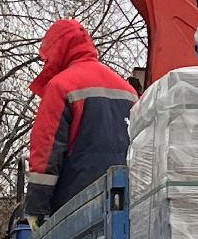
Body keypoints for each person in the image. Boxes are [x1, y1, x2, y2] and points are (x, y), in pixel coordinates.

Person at [25, 18, 137, 218]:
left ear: (57, 50)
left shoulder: (61, 86)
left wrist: (36, 210)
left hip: (74, 210)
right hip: (124, 206)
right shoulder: (129, 92)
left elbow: (46, 152)